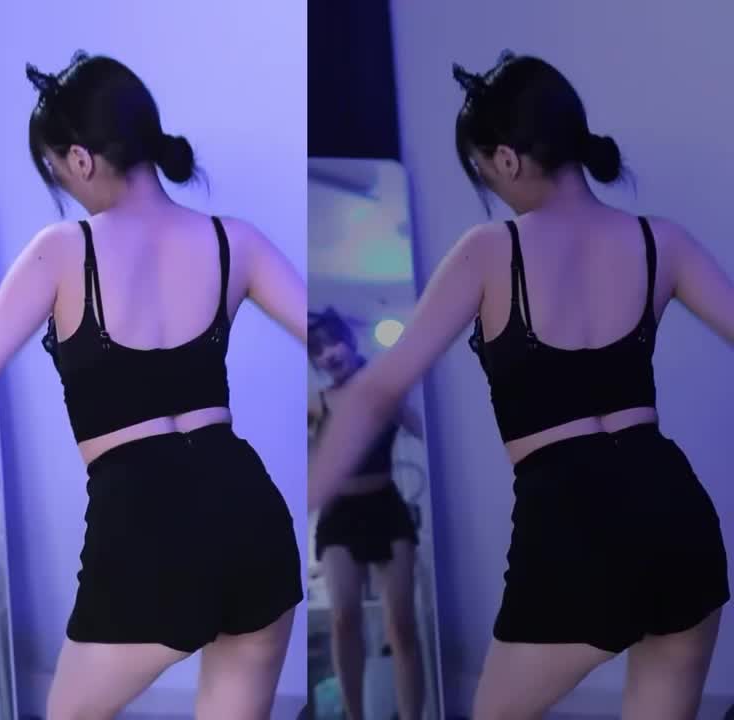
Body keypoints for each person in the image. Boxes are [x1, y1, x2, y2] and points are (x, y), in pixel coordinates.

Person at [0, 51, 305, 720]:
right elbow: (346, 351)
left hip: (144, 517)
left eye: (53, 169)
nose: (62, 185)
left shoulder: (61, 249)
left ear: (79, 159)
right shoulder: (236, 242)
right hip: (248, 509)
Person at [309, 52, 730, 720]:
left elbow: (376, 391)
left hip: (573, 521)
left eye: (481, 171)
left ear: (506, 159)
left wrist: (301, 499)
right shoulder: (662, 242)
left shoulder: (488, 250)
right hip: (675, 514)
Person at [307, 306, 424, 720]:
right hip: (339, 514)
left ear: (350, 340)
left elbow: (428, 431)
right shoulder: (317, 402)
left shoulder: (384, 389)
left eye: (333, 342)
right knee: (343, 618)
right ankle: (354, 716)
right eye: (317, 350)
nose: (328, 354)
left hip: (386, 506)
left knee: (402, 624)